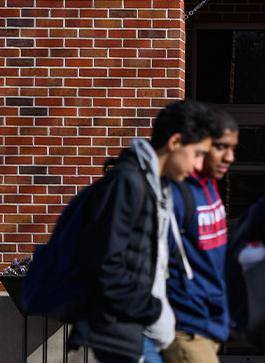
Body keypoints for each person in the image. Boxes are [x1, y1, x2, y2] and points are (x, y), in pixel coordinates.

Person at [69, 100, 217, 363]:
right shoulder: (127, 183)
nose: (198, 164)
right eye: (197, 154)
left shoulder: (157, 187)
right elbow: (104, 264)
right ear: (174, 143)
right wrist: (154, 310)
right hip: (127, 330)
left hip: (144, 329)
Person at [164, 106, 240, 363]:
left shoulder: (210, 185)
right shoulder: (177, 191)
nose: (229, 157)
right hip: (185, 326)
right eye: (220, 147)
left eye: (233, 148)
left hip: (212, 322)